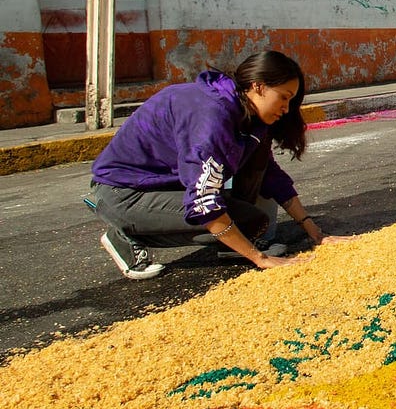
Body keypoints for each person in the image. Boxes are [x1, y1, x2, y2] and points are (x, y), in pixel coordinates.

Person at [88, 50, 339, 279]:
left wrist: (315, 232)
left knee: (252, 219)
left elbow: (270, 175)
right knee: (228, 217)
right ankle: (126, 235)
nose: (286, 109)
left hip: (163, 186)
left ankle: (231, 244)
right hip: (123, 193)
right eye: (283, 98)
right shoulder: (210, 116)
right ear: (259, 87)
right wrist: (259, 258)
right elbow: (203, 202)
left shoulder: (246, 115)